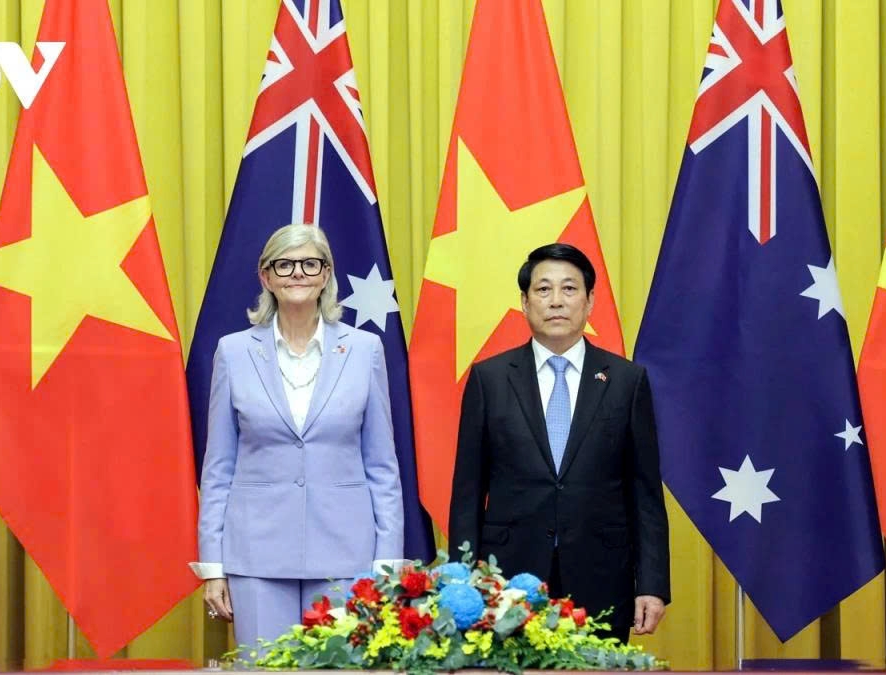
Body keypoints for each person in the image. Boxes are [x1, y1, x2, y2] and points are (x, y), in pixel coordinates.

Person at [192, 223, 405, 650]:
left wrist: (387, 563)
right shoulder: (232, 352)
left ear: (327, 274)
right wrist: (213, 565)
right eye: (284, 265)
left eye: (310, 263)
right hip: (256, 555)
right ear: (265, 276)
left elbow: (382, 467)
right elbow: (218, 469)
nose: (297, 274)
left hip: (347, 555)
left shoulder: (365, 350)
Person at [448, 243, 670, 638]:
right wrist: (463, 581)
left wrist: (651, 584)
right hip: (507, 577)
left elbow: (645, 493)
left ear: (589, 302)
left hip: (602, 575)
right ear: (524, 302)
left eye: (569, 289)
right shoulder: (490, 379)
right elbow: (467, 491)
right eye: (543, 289)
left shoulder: (626, 381)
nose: (556, 301)